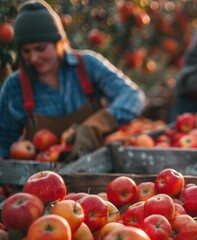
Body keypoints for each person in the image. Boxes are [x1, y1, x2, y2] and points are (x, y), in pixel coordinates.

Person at [0, 0, 145, 160]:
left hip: (94, 171)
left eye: (41, 49)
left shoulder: (86, 65)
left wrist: (97, 125)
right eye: (26, 51)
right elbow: (3, 143)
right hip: (40, 177)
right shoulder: (15, 86)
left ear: (58, 42)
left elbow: (133, 96)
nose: (34, 58)